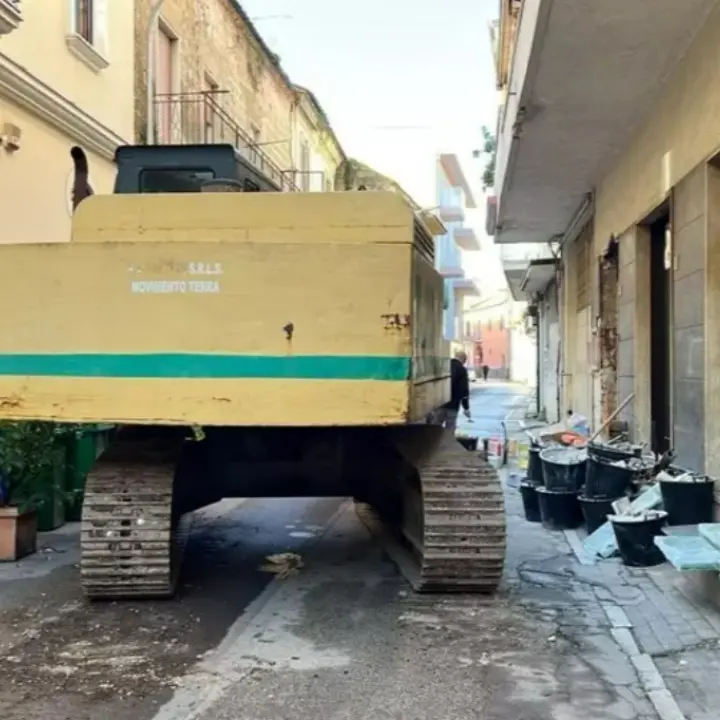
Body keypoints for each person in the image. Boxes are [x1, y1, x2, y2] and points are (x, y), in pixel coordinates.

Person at [432, 351, 472, 431]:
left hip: (440, 403)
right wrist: (466, 408)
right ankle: (447, 442)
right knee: (450, 428)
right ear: (463, 359)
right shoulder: (462, 370)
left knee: (435, 426)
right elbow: (464, 390)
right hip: (453, 405)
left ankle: (432, 442)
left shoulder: (443, 366)